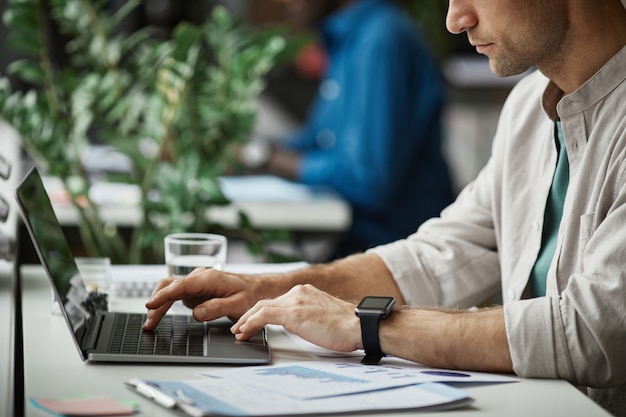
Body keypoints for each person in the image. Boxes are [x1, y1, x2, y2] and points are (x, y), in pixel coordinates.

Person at [145, 0, 626, 414]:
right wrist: (267, 289)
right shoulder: (527, 107)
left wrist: (365, 324)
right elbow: (446, 251)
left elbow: (597, 329)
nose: (455, 19)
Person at [239, 0, 454, 258]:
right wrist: (246, 151)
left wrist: (265, 157)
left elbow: (366, 179)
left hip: (400, 252)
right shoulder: (350, 39)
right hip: (361, 244)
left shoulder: (381, 41)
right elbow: (318, 141)